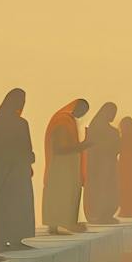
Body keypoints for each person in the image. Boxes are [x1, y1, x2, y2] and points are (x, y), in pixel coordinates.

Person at [0, 88, 37, 250]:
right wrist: (30, 160)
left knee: (4, 204)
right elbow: (26, 148)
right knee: (18, 205)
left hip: (1, 171)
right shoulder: (21, 123)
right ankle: (17, 238)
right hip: (18, 171)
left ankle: (1, 238)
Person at [42, 99, 91, 235]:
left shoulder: (68, 120)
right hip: (62, 167)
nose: (82, 115)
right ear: (76, 107)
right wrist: (84, 145)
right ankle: (59, 225)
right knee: (62, 193)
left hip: (66, 166)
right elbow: (61, 148)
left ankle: (61, 224)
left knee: (64, 194)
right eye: (83, 111)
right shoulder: (63, 120)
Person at [83, 102, 121, 224]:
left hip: (103, 164)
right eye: (112, 112)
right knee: (104, 189)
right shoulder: (107, 131)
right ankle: (102, 215)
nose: (114, 115)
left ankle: (103, 215)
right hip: (102, 165)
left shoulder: (94, 128)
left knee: (105, 189)